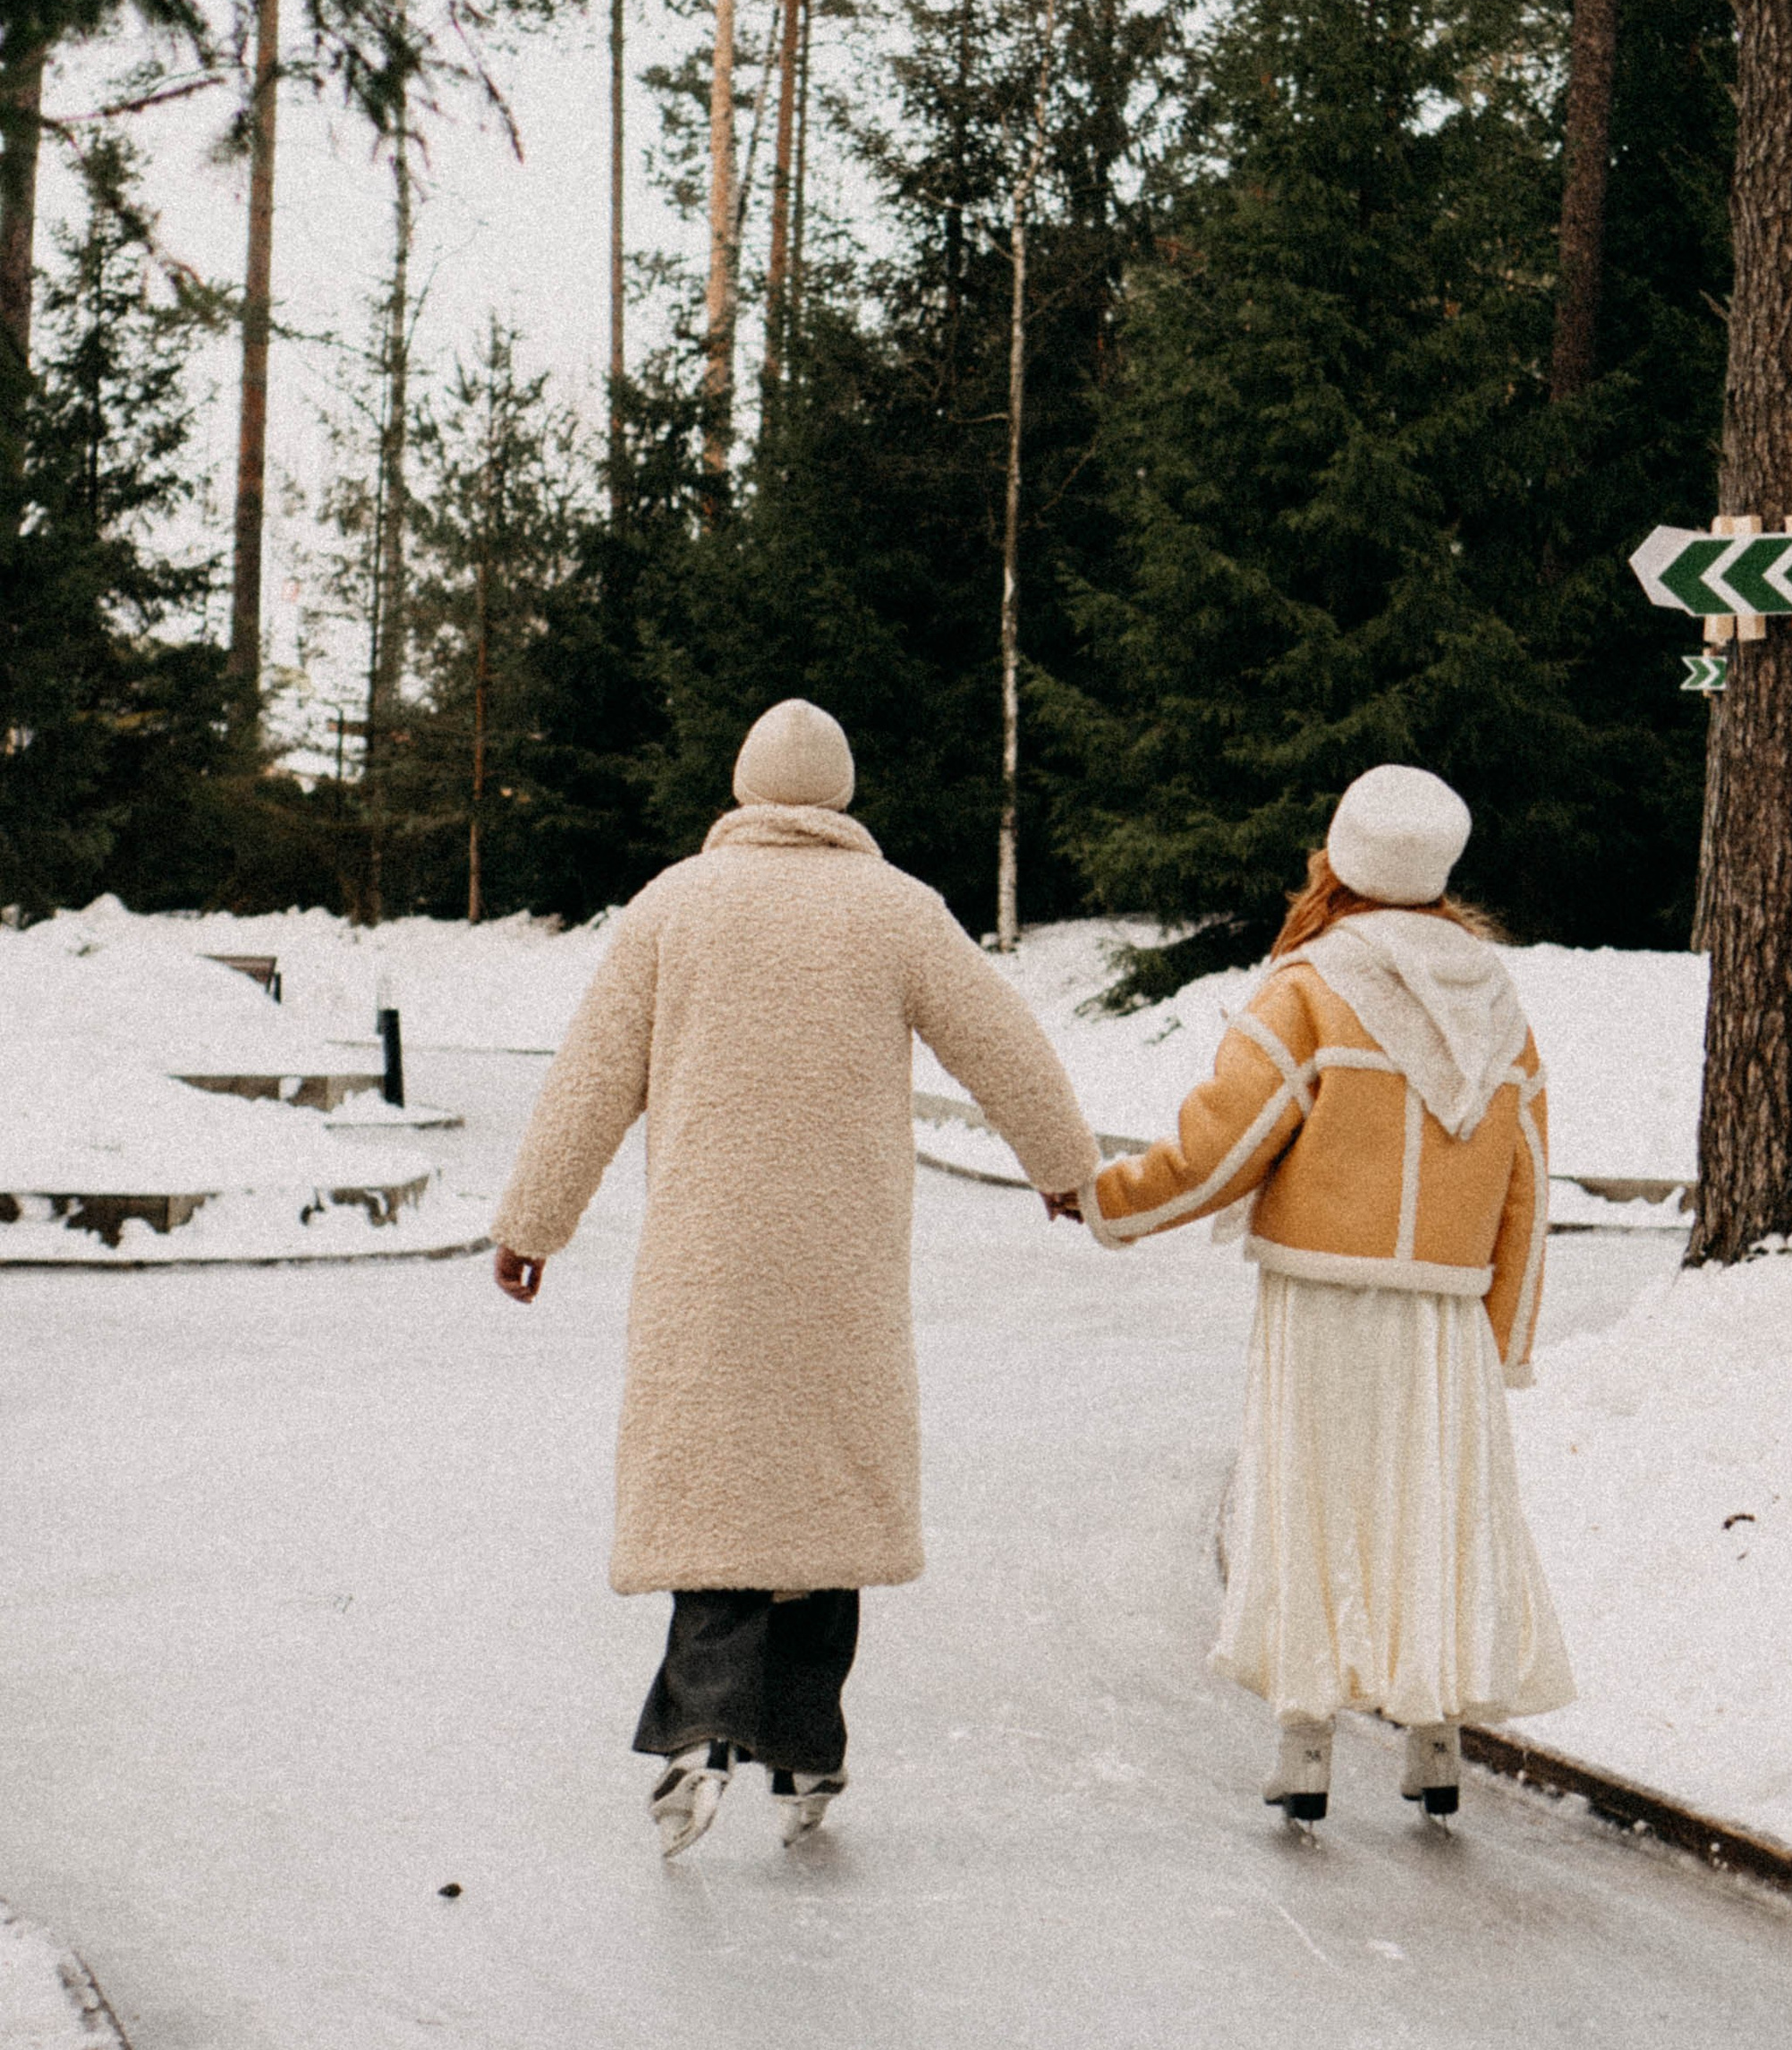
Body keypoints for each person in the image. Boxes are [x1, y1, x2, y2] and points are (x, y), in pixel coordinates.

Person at [488, 698, 1098, 1856]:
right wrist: (1062, 1166)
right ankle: (807, 1755)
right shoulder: (898, 910)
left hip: (703, 1267)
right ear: (842, 795)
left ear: (744, 788)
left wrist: (533, 1223)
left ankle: (698, 1729)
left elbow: (590, 1080)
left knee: (718, 1491)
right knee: (823, 1495)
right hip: (842, 1267)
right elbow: (1003, 1041)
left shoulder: (673, 907)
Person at [1071, 763, 1575, 1825]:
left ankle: (1305, 1747)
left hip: (1322, 1300)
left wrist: (1109, 1202)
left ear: (1337, 862)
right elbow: (1527, 1179)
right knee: (1430, 1508)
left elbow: (1224, 1146)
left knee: (1314, 1505)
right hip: (1443, 1311)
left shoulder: (1306, 987)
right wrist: (1506, 1334)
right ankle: (1434, 1739)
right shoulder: (1499, 1003)